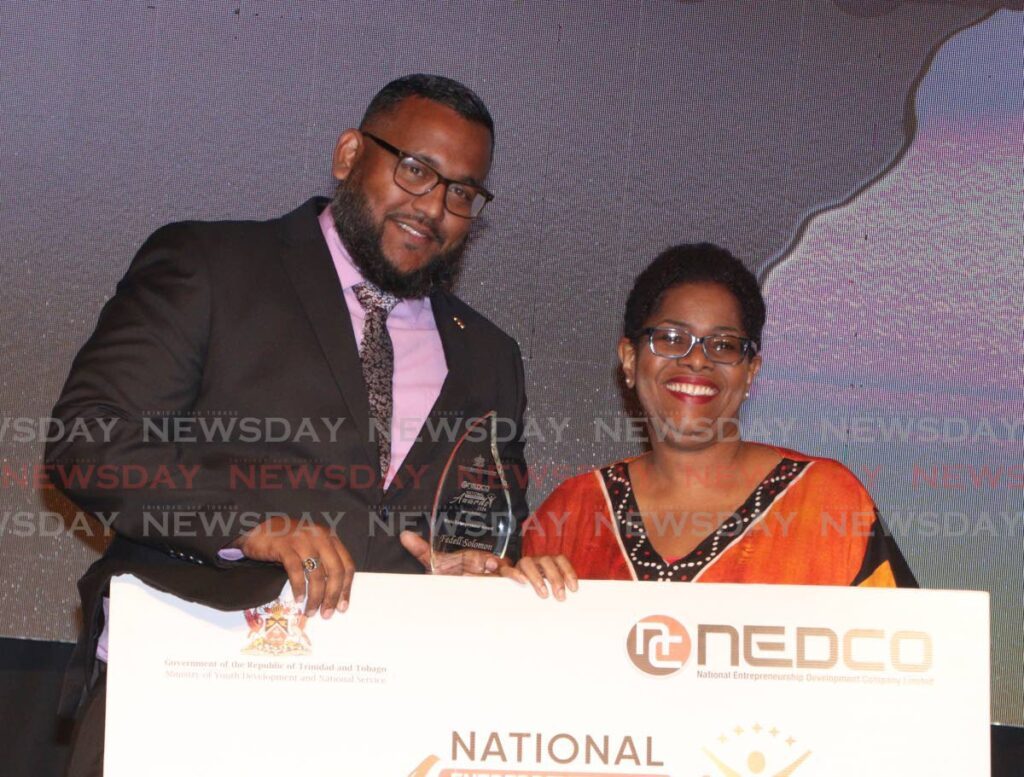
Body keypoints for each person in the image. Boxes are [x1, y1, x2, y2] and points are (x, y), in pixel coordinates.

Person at [46, 74, 528, 774]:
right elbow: (89, 442)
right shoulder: (211, 264)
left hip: (388, 718)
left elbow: (484, 522)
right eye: (416, 169)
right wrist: (251, 523)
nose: (434, 207)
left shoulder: (490, 354)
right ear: (348, 153)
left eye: (462, 192)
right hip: (190, 685)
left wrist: (468, 564)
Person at [509, 243, 915, 599]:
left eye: (723, 345)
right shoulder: (573, 512)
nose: (697, 359)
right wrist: (511, 595)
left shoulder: (827, 502)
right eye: (670, 338)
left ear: (750, 371)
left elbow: (912, 660)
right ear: (631, 360)